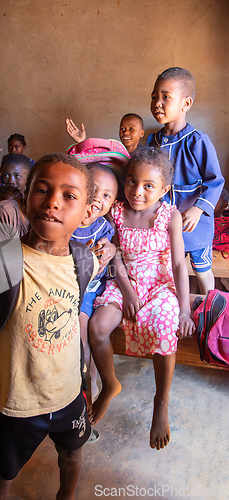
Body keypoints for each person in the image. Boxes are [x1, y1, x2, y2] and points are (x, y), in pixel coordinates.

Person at [0, 152, 99, 499]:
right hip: (17, 404)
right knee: (4, 473)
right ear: (24, 200)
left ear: (87, 213)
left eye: (69, 196)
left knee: (72, 454)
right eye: (42, 190)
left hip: (68, 395)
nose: (52, 202)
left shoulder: (86, 262)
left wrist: (85, 383)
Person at [88, 146, 195, 450]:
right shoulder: (117, 211)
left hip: (159, 284)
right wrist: (127, 289)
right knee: (97, 326)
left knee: (164, 328)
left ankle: (161, 401)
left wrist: (184, 310)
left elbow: (177, 264)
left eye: (149, 186)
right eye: (132, 181)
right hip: (125, 281)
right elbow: (116, 256)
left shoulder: (169, 216)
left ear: (165, 189)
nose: (137, 191)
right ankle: (110, 384)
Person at [147, 67, 224, 294]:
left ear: (186, 103)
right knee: (170, 269)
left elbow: (215, 180)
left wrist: (199, 209)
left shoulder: (198, 141)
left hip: (194, 224)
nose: (157, 103)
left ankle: (210, 308)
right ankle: (180, 312)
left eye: (165, 97)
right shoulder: (153, 141)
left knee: (202, 271)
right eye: (154, 97)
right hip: (164, 223)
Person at [70, 163, 119, 403]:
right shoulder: (66, 219)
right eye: (93, 190)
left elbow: (104, 264)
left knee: (83, 327)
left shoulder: (104, 228)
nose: (97, 199)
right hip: (66, 286)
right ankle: (80, 381)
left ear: (112, 203)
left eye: (106, 195)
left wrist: (108, 251)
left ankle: (89, 381)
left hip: (89, 288)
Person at [66, 115, 145, 154]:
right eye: (122, 129)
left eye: (131, 129)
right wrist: (81, 142)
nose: (126, 132)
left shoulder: (145, 156)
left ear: (141, 133)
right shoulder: (114, 153)